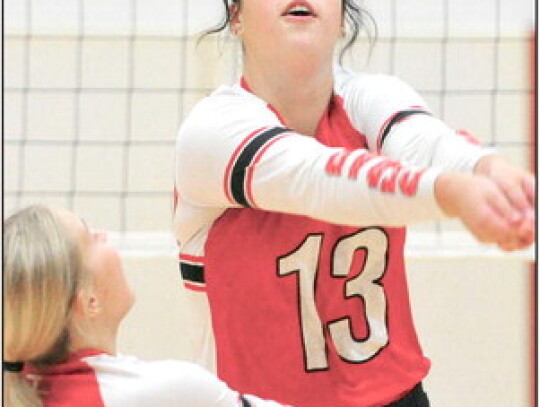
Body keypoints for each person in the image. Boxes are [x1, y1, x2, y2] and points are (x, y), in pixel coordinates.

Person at [173, 1, 535, 406]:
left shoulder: (371, 97)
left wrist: (488, 168)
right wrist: (451, 193)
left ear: (343, 18)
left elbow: (426, 142)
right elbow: (317, 178)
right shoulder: (212, 131)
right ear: (236, 17)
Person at [3, 204, 295, 407]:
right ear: (88, 301)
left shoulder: (18, 387)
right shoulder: (169, 391)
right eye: (91, 237)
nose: (104, 235)